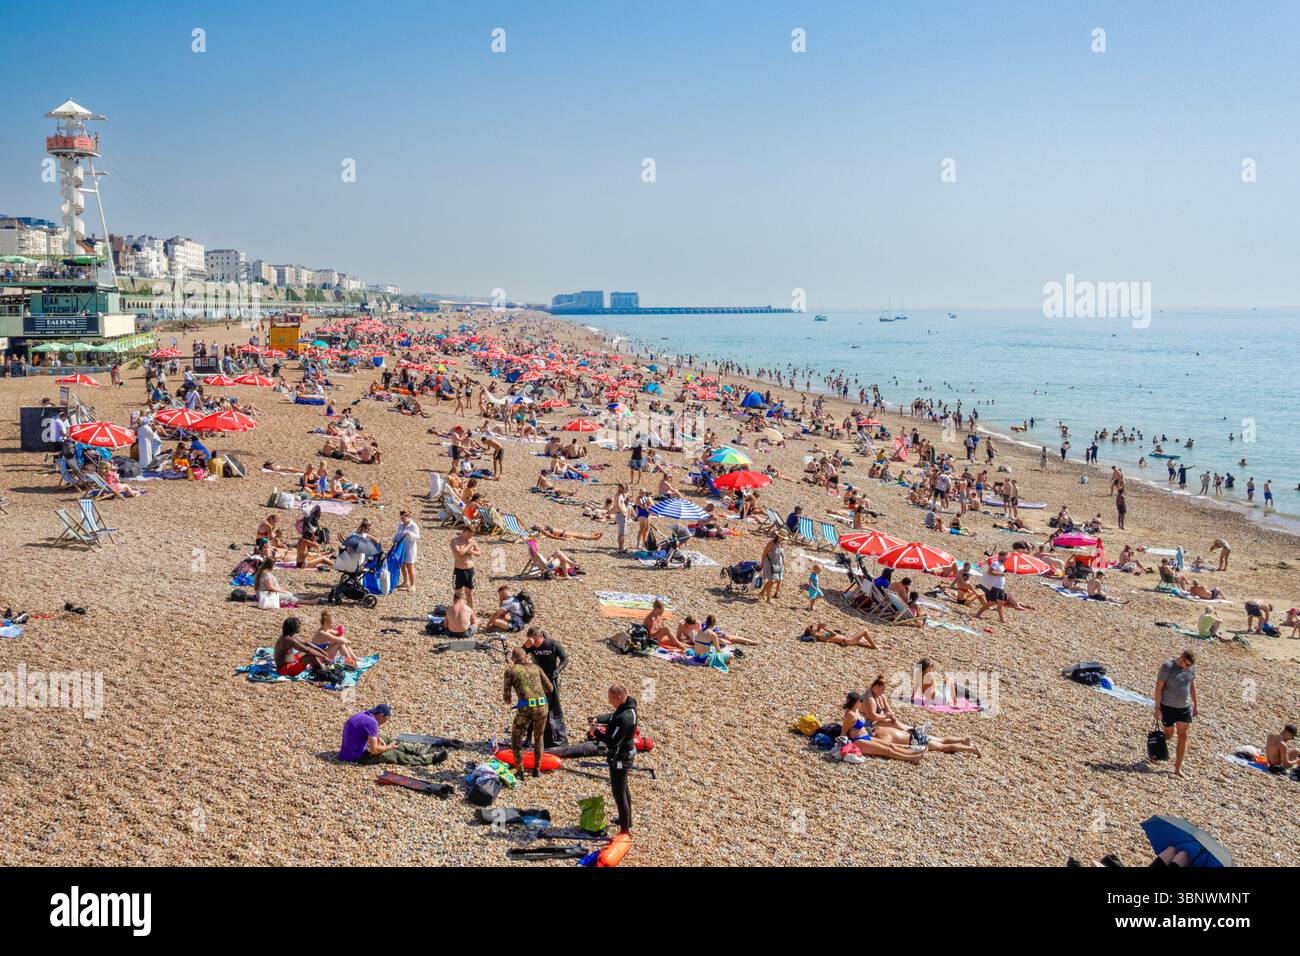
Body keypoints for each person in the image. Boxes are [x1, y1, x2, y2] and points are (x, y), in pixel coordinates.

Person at [590, 685, 638, 835]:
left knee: (619, 793)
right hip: (624, 754)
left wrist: (595, 732)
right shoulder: (625, 707)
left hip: (621, 759)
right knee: (624, 789)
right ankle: (627, 820)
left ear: (618, 697)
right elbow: (612, 717)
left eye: (611, 700)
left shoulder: (626, 717)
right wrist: (598, 719)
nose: (610, 702)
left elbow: (612, 741)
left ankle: (625, 831)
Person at [339, 703, 448, 766]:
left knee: (384, 738)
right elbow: (374, 751)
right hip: (356, 756)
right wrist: (388, 747)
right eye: (386, 719)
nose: (385, 722)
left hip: (347, 750)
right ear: (382, 715)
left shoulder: (364, 715)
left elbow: (362, 733)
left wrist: (379, 740)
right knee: (393, 754)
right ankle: (431, 760)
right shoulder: (373, 723)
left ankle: (416, 751)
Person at [503, 647, 553, 781]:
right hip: (542, 707)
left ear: (513, 658)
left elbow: (507, 698)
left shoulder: (510, 671)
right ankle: (537, 770)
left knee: (516, 739)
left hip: (525, 710)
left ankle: (520, 771)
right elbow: (550, 688)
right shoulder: (536, 668)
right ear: (525, 656)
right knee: (539, 738)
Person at [1154, 650, 1198, 778]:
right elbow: (1159, 687)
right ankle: (1156, 750)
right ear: (1182, 657)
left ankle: (1177, 769)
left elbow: (1191, 685)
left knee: (1183, 736)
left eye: (1189, 665)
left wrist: (1196, 703)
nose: (1186, 667)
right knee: (1168, 735)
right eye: (1186, 664)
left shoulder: (1190, 668)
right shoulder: (1167, 667)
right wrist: (1157, 707)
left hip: (1184, 707)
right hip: (1168, 706)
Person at [524, 627, 569, 746]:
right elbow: (517, 656)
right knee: (533, 708)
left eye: (534, 640)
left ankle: (553, 738)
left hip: (550, 679)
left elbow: (565, 658)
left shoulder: (553, 644)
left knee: (551, 709)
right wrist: (525, 646)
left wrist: (558, 670)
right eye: (530, 640)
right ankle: (528, 739)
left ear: (541, 637)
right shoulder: (531, 645)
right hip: (536, 680)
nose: (533, 643)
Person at [450, 527, 480, 608]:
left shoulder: (471, 541)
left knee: (469, 593)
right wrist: (469, 545)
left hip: (470, 569)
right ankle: (456, 612)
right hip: (458, 570)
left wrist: (473, 551)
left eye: (472, 536)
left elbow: (479, 552)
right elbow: (460, 553)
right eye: (470, 535)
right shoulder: (455, 541)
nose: (471, 537)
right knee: (457, 593)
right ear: (465, 532)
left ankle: (471, 612)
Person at [393, 511, 420, 590]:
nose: (402, 519)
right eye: (401, 517)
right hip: (401, 547)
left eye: (403, 517)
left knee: (410, 566)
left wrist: (410, 534)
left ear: (407, 516)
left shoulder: (413, 525)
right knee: (402, 565)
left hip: (410, 547)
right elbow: (398, 533)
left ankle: (413, 585)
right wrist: (395, 539)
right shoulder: (401, 524)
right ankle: (405, 582)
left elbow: (418, 536)